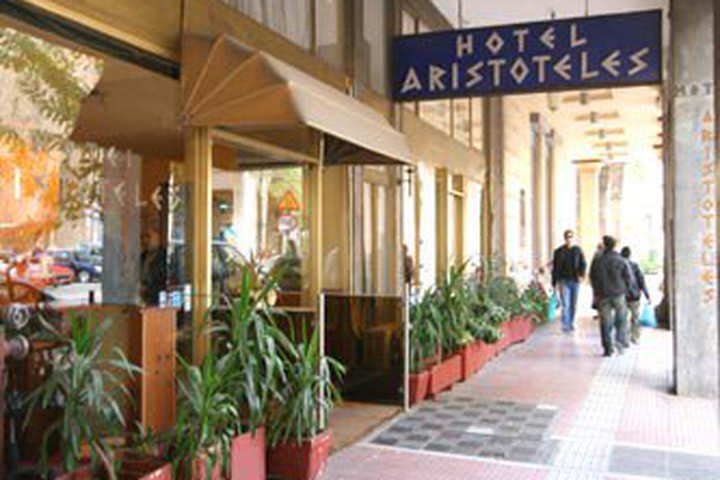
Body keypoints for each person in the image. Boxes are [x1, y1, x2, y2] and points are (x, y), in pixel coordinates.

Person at [590, 236, 633, 356]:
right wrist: (626, 291)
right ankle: (620, 344)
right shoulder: (621, 260)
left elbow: (592, 277)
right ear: (614, 246)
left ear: (604, 245)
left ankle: (608, 348)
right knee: (621, 320)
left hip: (603, 295)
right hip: (619, 294)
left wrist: (596, 292)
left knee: (605, 322)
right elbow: (629, 278)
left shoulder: (598, 260)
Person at [551, 229, 587, 333]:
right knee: (565, 303)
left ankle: (571, 323)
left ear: (573, 238)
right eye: (567, 237)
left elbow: (583, 263)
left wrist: (582, 275)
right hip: (563, 280)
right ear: (564, 238)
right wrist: (554, 282)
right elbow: (555, 267)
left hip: (575, 280)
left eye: (571, 236)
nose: (569, 239)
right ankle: (565, 324)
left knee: (573, 303)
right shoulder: (559, 251)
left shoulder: (577, 250)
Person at [620, 246, 651, 344]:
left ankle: (624, 337)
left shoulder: (619, 266)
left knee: (623, 317)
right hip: (634, 295)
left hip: (622, 295)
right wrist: (647, 295)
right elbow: (641, 281)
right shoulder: (635, 266)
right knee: (635, 318)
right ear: (630, 255)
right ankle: (635, 337)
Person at [140, 225, 167, 306]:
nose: (145, 240)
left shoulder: (165, 257)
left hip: (158, 302)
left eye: (148, 236)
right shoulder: (142, 256)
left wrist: (147, 289)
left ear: (158, 237)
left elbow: (164, 283)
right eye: (142, 237)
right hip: (143, 301)